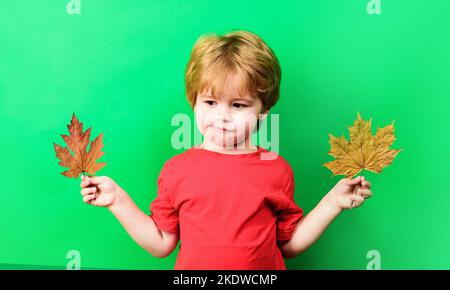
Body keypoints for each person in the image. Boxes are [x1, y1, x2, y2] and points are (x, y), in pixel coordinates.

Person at [80, 30, 372, 270]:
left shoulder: (277, 169)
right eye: (210, 103)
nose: (222, 116)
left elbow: (289, 245)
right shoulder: (176, 170)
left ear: (263, 111)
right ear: (193, 102)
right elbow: (161, 244)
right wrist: (117, 200)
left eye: (238, 105)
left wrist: (333, 202)